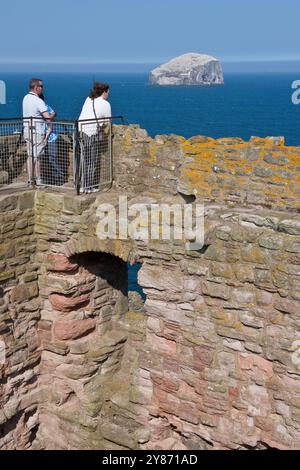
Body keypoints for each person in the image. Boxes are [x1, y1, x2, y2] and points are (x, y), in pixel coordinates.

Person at [78, 82, 111, 192]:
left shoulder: (88, 99)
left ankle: (82, 185)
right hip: (92, 133)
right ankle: (89, 187)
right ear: (104, 92)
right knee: (92, 161)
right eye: (108, 92)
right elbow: (108, 123)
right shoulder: (106, 104)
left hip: (80, 131)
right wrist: (106, 134)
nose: (109, 94)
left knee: (84, 159)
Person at [22, 78, 52, 185]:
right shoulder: (39, 101)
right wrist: (50, 128)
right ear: (36, 88)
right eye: (41, 86)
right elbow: (48, 117)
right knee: (38, 156)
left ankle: (30, 179)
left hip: (27, 130)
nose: (42, 89)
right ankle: (39, 180)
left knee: (30, 155)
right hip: (37, 131)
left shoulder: (25, 98)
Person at [40, 94, 64, 185]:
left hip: (51, 138)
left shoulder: (45, 107)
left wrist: (49, 117)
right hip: (41, 137)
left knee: (52, 158)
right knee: (44, 159)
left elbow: (54, 112)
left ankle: (59, 176)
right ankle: (49, 178)